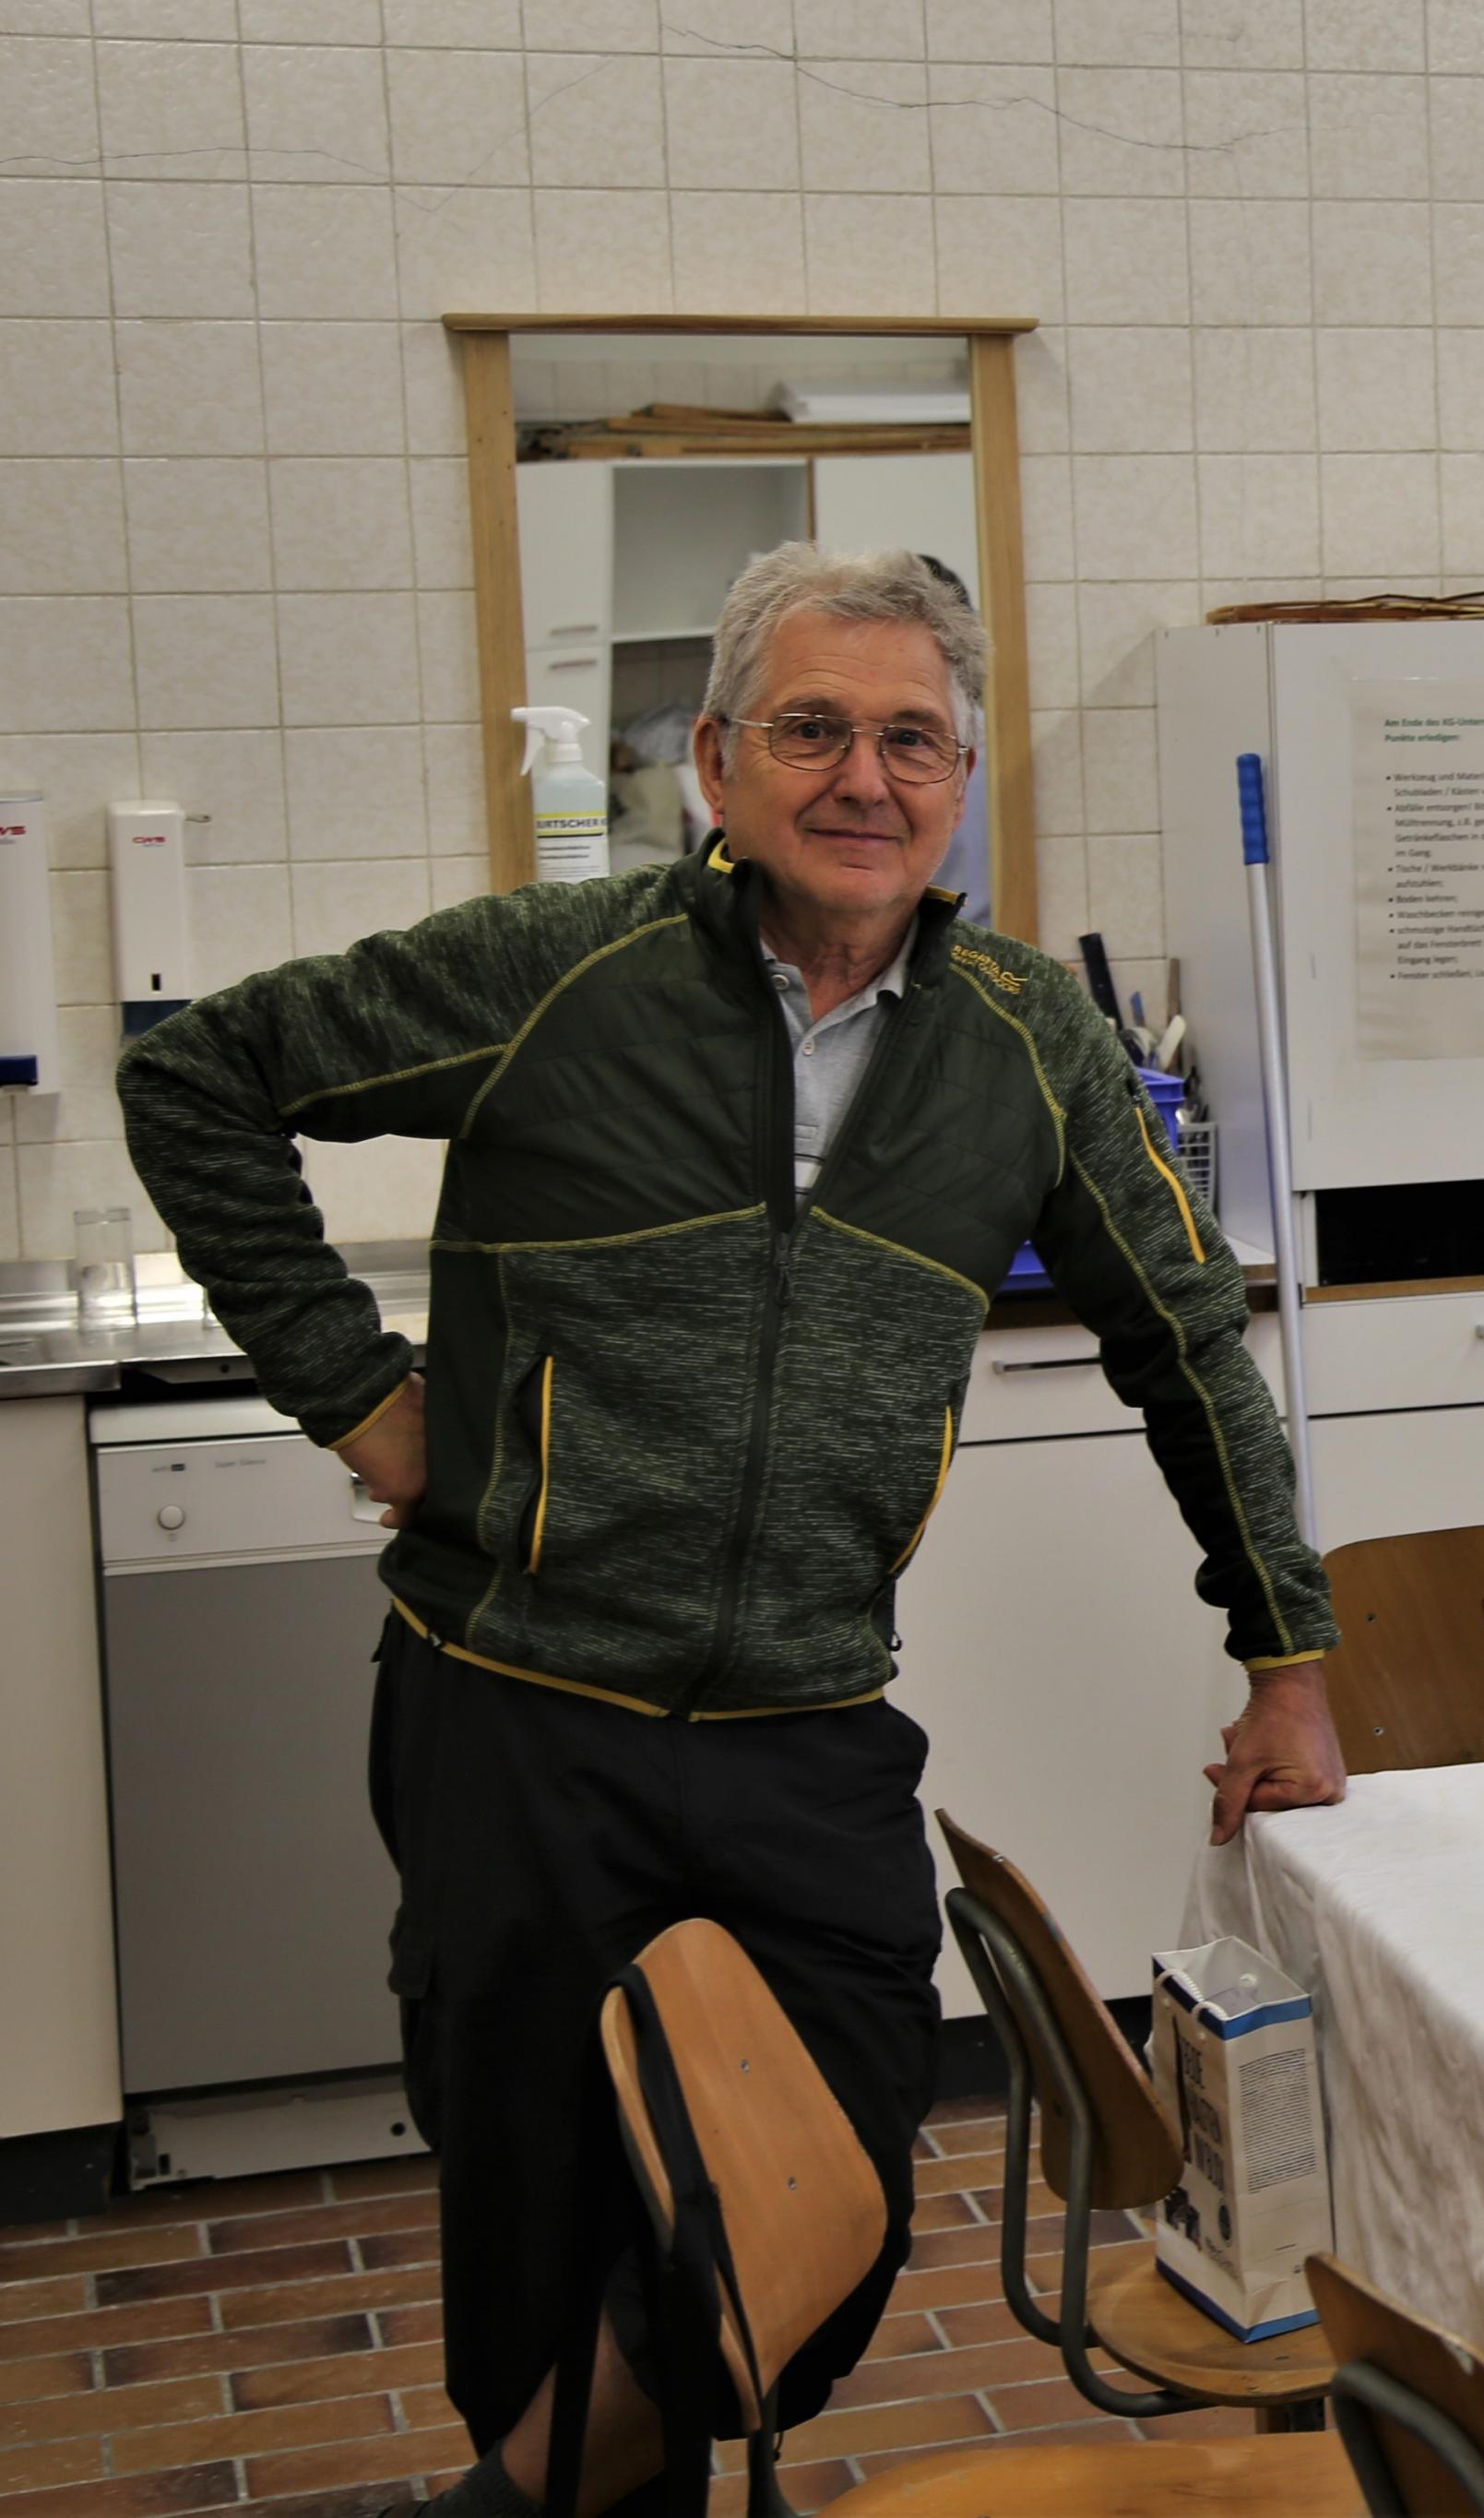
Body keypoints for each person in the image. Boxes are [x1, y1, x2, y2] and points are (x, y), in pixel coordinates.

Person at [120, 545, 1343, 2516]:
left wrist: (1288, 1655)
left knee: (831, 2197)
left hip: (804, 1724)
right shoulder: (558, 974)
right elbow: (197, 1078)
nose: (866, 778)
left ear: (960, 782)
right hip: (516, 1711)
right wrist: (354, 1392)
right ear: (715, 762)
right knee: (543, 2242)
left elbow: (1187, 1338)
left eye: (913, 741)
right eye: (814, 729)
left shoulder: (1025, 1041)